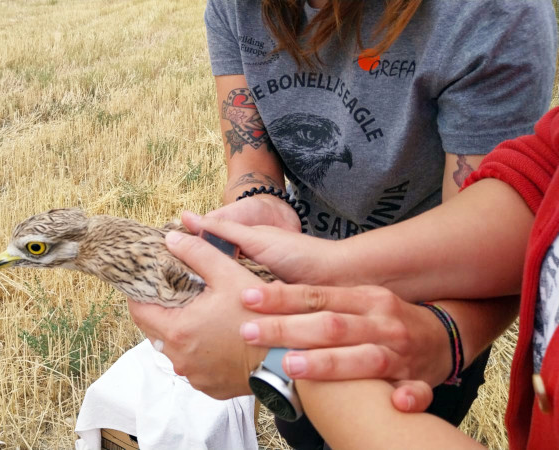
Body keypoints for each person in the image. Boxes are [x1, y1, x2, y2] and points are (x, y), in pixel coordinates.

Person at [129, 0, 557, 447]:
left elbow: (506, 227)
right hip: (294, 273)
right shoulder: (233, 7)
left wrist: (444, 336)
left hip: (429, 302)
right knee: (301, 428)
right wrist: (260, 202)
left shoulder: (490, 14)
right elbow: (248, 157)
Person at [180, 104, 559, 449]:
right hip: (339, 306)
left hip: (425, 326)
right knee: (298, 430)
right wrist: (327, 264)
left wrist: (275, 355)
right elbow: (541, 180)